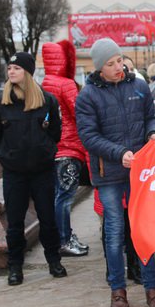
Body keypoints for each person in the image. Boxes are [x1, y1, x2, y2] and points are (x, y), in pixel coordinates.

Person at [76, 38, 155, 307]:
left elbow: (150, 117)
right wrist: (120, 153)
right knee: (114, 233)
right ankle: (118, 290)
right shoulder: (88, 95)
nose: (118, 66)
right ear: (99, 67)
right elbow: (89, 137)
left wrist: (153, 132)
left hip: (140, 171)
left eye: (119, 60)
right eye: (110, 63)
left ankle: (152, 288)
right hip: (110, 174)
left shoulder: (138, 86)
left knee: (144, 230)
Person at [0, 52, 67, 285]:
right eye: (10, 67)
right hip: (14, 172)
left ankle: (54, 260)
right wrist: (8, 155)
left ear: (28, 72)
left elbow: (56, 133)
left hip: (42, 171)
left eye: (17, 68)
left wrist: (44, 150)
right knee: (15, 222)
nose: (11, 71)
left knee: (48, 219)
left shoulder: (47, 100)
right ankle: (15, 266)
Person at [41, 40, 89, 257]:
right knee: (65, 197)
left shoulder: (44, 83)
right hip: (69, 148)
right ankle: (65, 240)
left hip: (53, 150)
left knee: (58, 196)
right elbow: (80, 115)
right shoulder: (66, 84)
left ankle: (62, 237)